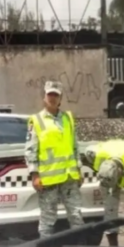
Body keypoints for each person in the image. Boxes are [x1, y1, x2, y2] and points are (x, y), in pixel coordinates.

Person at [24, 80, 85, 239]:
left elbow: (74, 146)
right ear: (44, 97)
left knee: (76, 216)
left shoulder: (68, 118)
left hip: (69, 177)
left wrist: (79, 169)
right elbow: (31, 150)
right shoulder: (36, 120)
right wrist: (34, 175)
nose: (52, 98)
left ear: (61, 98)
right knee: (47, 220)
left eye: (56, 95)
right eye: (49, 94)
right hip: (48, 179)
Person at [81, 139, 124, 246]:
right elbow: (84, 154)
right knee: (109, 209)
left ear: (120, 173)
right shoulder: (95, 154)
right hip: (108, 173)